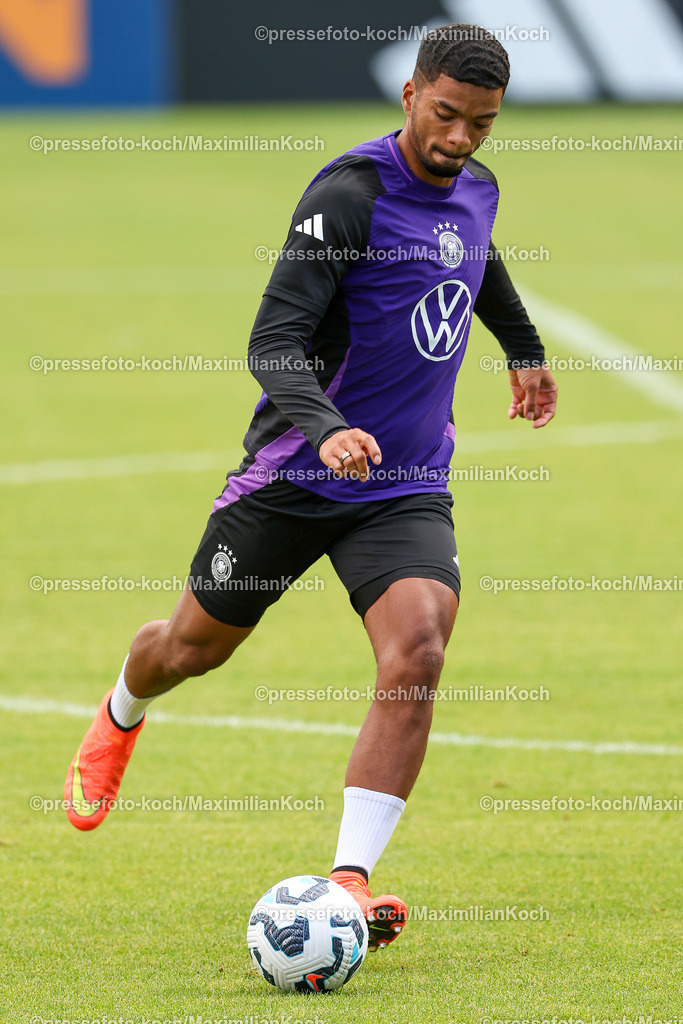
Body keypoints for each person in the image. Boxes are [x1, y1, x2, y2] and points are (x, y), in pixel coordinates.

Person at [64, 23, 558, 953]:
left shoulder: (477, 189)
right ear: (409, 95)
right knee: (189, 649)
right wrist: (326, 431)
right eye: (446, 116)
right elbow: (272, 344)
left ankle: (348, 880)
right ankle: (122, 710)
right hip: (294, 475)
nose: (459, 140)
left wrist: (522, 350)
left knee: (416, 648)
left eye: (481, 125)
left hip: (403, 482)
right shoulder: (347, 197)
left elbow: (477, 256)